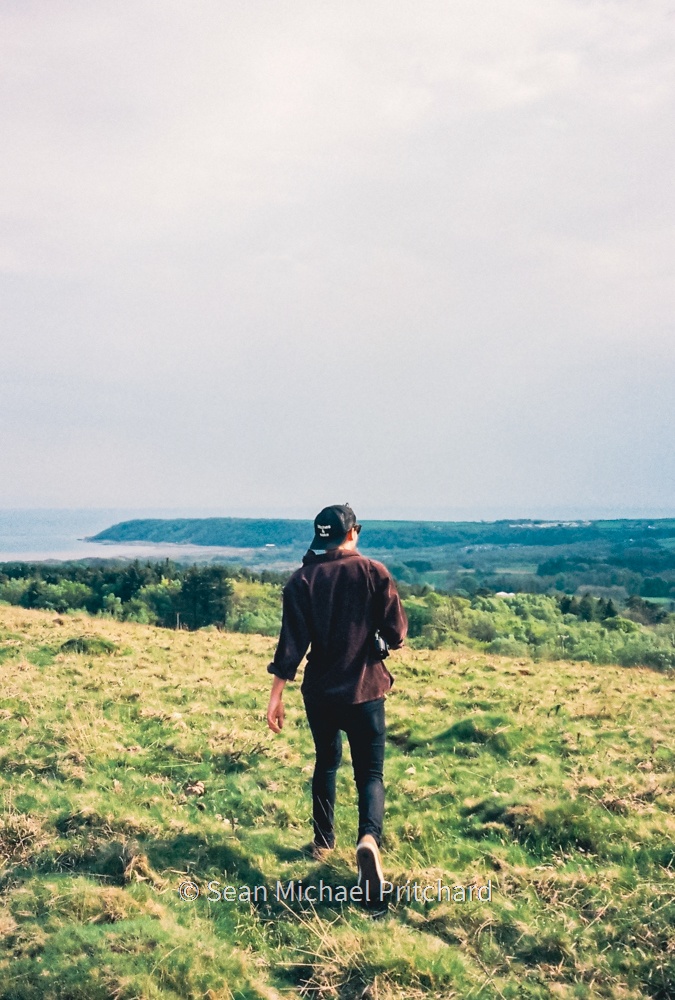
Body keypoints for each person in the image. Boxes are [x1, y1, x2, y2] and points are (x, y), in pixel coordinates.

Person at [266, 504, 407, 908]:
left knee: (326, 762)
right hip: (365, 691)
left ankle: (323, 843)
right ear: (353, 532)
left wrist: (276, 696)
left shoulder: (301, 580)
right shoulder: (374, 572)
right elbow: (396, 634)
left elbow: (290, 646)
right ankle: (368, 839)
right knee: (370, 772)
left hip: (320, 694)